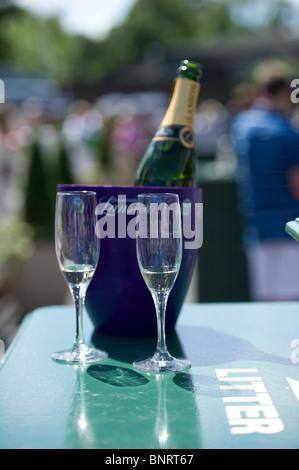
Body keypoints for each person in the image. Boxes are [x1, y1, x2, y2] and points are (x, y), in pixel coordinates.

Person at [232, 74, 299, 301]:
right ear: (282, 94)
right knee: (288, 304)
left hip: (256, 226)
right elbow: (296, 185)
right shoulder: (289, 133)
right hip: (289, 226)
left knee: (265, 302)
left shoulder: (241, 124)